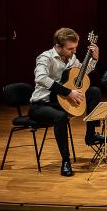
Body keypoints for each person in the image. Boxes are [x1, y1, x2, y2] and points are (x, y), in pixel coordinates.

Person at [28, 27, 102, 176]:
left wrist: (94, 59)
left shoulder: (71, 58)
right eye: (70, 49)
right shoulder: (45, 57)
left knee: (94, 91)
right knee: (60, 117)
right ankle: (66, 161)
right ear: (58, 46)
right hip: (41, 105)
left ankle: (91, 133)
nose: (74, 52)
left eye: (75, 48)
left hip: (60, 103)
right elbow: (40, 78)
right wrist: (67, 92)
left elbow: (81, 74)